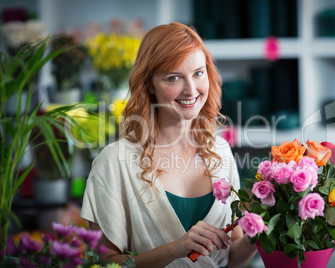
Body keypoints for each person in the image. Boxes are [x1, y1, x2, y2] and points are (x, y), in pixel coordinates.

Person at [80, 22, 257, 268]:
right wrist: (175, 249)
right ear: (149, 84)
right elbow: (103, 262)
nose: (191, 89)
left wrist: (262, 232)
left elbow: (230, 257)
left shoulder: (220, 151)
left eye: (198, 73)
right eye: (173, 77)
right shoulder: (115, 161)